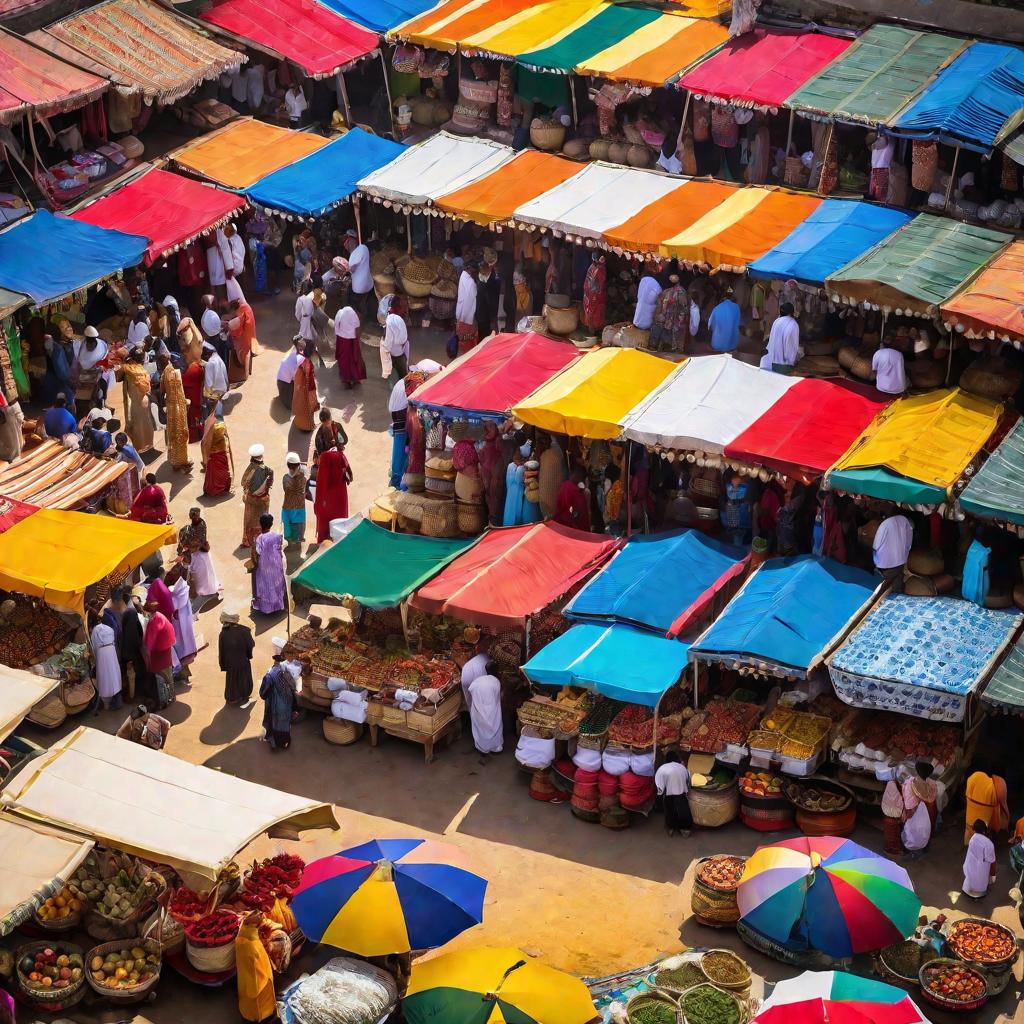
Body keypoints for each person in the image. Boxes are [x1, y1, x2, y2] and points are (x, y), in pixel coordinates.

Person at [236, 910, 276, 1023]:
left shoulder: (243, 933)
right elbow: (258, 973)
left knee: (247, 987)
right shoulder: (251, 944)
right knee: (257, 993)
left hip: (248, 975)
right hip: (257, 993)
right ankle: (259, 1017)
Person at [177, 507, 221, 600]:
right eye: (193, 515)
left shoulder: (201, 525)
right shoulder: (188, 529)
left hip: (201, 552)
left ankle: (206, 591)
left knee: (203, 574)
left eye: (195, 515)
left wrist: (189, 550)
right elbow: (181, 543)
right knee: (199, 575)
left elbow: (201, 542)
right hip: (197, 553)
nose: (194, 517)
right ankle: (202, 590)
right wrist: (180, 552)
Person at [158, 355, 191, 472]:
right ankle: (182, 461)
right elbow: (181, 392)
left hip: (171, 409)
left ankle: (175, 461)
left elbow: (161, 392)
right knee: (181, 434)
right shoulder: (176, 373)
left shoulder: (164, 374)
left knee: (173, 434)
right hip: (179, 409)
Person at [314, 440, 351, 542]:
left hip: (327, 501)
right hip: (340, 498)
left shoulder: (325, 457)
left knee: (326, 528)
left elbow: (322, 483)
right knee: (340, 525)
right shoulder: (341, 455)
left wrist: (319, 504)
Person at [143, 597, 176, 708]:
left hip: (159, 654)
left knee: (160, 679)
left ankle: (163, 702)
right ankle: (171, 697)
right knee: (168, 676)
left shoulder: (154, 621)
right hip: (165, 651)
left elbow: (149, 642)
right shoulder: (160, 616)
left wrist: (147, 652)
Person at [260, 656, 299, 749]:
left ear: (274, 663)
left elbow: (263, 694)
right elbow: (294, 690)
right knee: (285, 725)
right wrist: (295, 707)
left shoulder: (270, 675)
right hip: (288, 704)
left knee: (275, 725)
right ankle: (285, 742)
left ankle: (275, 744)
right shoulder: (288, 673)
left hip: (276, 706)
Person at [251, 513, 286, 615]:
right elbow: (280, 549)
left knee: (265, 586)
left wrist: (255, 563)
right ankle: (278, 606)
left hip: (264, 567)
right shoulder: (277, 536)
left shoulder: (260, 538)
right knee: (277, 585)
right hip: (276, 564)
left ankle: (267, 609)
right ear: (271, 524)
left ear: (260, 524)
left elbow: (258, 552)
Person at [465, 662, 503, 754]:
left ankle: (482, 748)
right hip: (493, 709)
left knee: (480, 728)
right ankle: (496, 748)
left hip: (479, 708)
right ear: (497, 671)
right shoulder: (496, 681)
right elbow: (498, 696)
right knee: (495, 726)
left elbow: (471, 689)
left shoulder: (479, 680)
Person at [240, 445, 273, 549]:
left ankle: (248, 541)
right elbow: (270, 484)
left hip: (251, 501)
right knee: (262, 521)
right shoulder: (269, 470)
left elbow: (243, 483)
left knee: (249, 521)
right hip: (263, 501)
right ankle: (262, 540)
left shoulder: (250, 469)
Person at [219, 608, 255, 704]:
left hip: (230, 663)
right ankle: (244, 695)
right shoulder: (245, 630)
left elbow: (221, 651)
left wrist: (223, 664)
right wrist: (248, 655)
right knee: (244, 679)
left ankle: (232, 698)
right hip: (243, 661)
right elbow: (251, 644)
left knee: (232, 681)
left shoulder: (223, 634)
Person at [90, 611, 122, 711]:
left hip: (102, 653)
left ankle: (106, 703)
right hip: (111, 651)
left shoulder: (95, 630)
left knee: (104, 676)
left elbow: (94, 645)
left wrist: (95, 656)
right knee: (113, 673)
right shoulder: (110, 629)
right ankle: (116, 698)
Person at [655, 751, 692, 837]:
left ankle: (670, 827)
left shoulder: (663, 768)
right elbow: (689, 781)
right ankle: (685, 829)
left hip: (669, 792)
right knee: (683, 809)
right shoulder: (683, 768)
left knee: (669, 809)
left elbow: (659, 783)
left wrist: (660, 795)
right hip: (682, 792)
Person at [873, 513, 913, 591]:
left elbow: (876, 546)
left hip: (886, 565)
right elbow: (908, 545)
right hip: (899, 563)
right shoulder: (906, 526)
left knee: (884, 585)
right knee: (897, 582)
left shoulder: (885, 526)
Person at [651, 274, 690, 353]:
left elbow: (658, 307)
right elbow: (685, 308)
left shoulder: (665, 292)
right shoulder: (682, 292)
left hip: (666, 322)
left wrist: (657, 317)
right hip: (676, 323)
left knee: (664, 339)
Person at [760, 302, 802, 373]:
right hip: (782, 365)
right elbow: (791, 346)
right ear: (791, 312)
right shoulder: (793, 324)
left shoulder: (777, 321)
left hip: (769, 362)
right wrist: (793, 360)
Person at [201, 408, 234, 497]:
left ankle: (213, 489)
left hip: (216, 453)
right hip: (219, 452)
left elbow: (205, 441)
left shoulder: (209, 421)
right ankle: (219, 489)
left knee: (213, 473)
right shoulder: (219, 425)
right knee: (222, 472)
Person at [962, 820, 997, 899]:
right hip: (983, 874)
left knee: (971, 876)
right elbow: (992, 861)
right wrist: (993, 874)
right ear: (984, 830)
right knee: (982, 879)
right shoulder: (989, 844)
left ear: (974, 829)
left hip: (971, 871)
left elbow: (969, 858)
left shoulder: (972, 840)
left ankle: (969, 890)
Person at [334, 305, 366, 388]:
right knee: (354, 359)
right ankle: (355, 378)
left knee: (343, 360)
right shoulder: (354, 316)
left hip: (341, 339)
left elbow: (336, 326)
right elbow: (357, 331)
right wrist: (358, 342)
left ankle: (346, 380)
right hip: (352, 341)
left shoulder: (339, 312)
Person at [291, 341, 319, 431]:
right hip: (307, 388)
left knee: (301, 405)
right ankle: (308, 426)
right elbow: (308, 377)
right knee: (308, 407)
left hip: (300, 388)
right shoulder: (307, 363)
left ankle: (301, 422)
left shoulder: (299, 358)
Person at [226, 298, 256, 384]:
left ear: (233, 309)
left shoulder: (237, 319)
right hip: (250, 335)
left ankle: (243, 374)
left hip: (243, 340)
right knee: (248, 353)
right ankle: (247, 370)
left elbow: (232, 329)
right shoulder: (246, 307)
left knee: (242, 356)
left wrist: (227, 325)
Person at [965, 770, 999, 844]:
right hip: (984, 819)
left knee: (969, 830)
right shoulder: (993, 788)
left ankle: (968, 844)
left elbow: (967, 793)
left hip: (970, 818)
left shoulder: (976, 776)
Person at [345, 231, 374, 318]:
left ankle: (359, 317)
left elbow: (352, 268)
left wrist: (346, 267)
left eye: (348, 242)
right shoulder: (362, 249)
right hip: (368, 284)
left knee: (353, 301)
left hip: (361, 287)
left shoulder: (359, 250)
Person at [281, 452, 307, 547]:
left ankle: (290, 540)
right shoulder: (303, 477)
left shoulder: (285, 478)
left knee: (289, 522)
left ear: (288, 465)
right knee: (299, 522)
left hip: (288, 504)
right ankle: (299, 539)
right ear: (298, 465)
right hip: (299, 504)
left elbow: (286, 489)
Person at [555, 467, 591, 531]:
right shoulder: (571, 489)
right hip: (571, 526)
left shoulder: (567, 485)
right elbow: (574, 511)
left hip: (566, 523)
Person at [455, 262, 479, 354]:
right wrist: (465, 317)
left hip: (461, 313)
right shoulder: (470, 283)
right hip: (466, 316)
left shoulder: (463, 276)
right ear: (471, 269)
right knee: (468, 339)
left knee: (462, 338)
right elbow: (469, 301)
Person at [581, 253, 607, 333]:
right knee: (590, 313)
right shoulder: (595, 268)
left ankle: (593, 331)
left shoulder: (599, 268)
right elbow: (591, 283)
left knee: (595, 313)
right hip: (592, 294)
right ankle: (591, 332)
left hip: (595, 293)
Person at [277, 336, 306, 407]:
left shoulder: (290, 353)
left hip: (280, 383)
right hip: (286, 386)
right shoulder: (300, 358)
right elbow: (297, 378)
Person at [181, 357, 205, 443]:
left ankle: (193, 438)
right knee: (196, 420)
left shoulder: (192, 369)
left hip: (192, 401)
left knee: (192, 422)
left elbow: (183, 382)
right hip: (197, 399)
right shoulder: (198, 368)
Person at [382, 313, 409, 385]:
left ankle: (395, 388)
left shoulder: (389, 323)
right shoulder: (398, 320)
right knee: (403, 374)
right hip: (401, 354)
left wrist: (385, 349)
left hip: (392, 355)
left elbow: (388, 341)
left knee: (392, 374)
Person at [203, 341, 229, 409]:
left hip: (215, 395)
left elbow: (208, 385)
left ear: (206, 354)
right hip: (223, 391)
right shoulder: (218, 358)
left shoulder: (210, 364)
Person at [0, 396, 24, 463]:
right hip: (12, 406)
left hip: (6, 409)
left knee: (12, 440)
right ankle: (15, 458)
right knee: (16, 438)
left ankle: (12, 459)